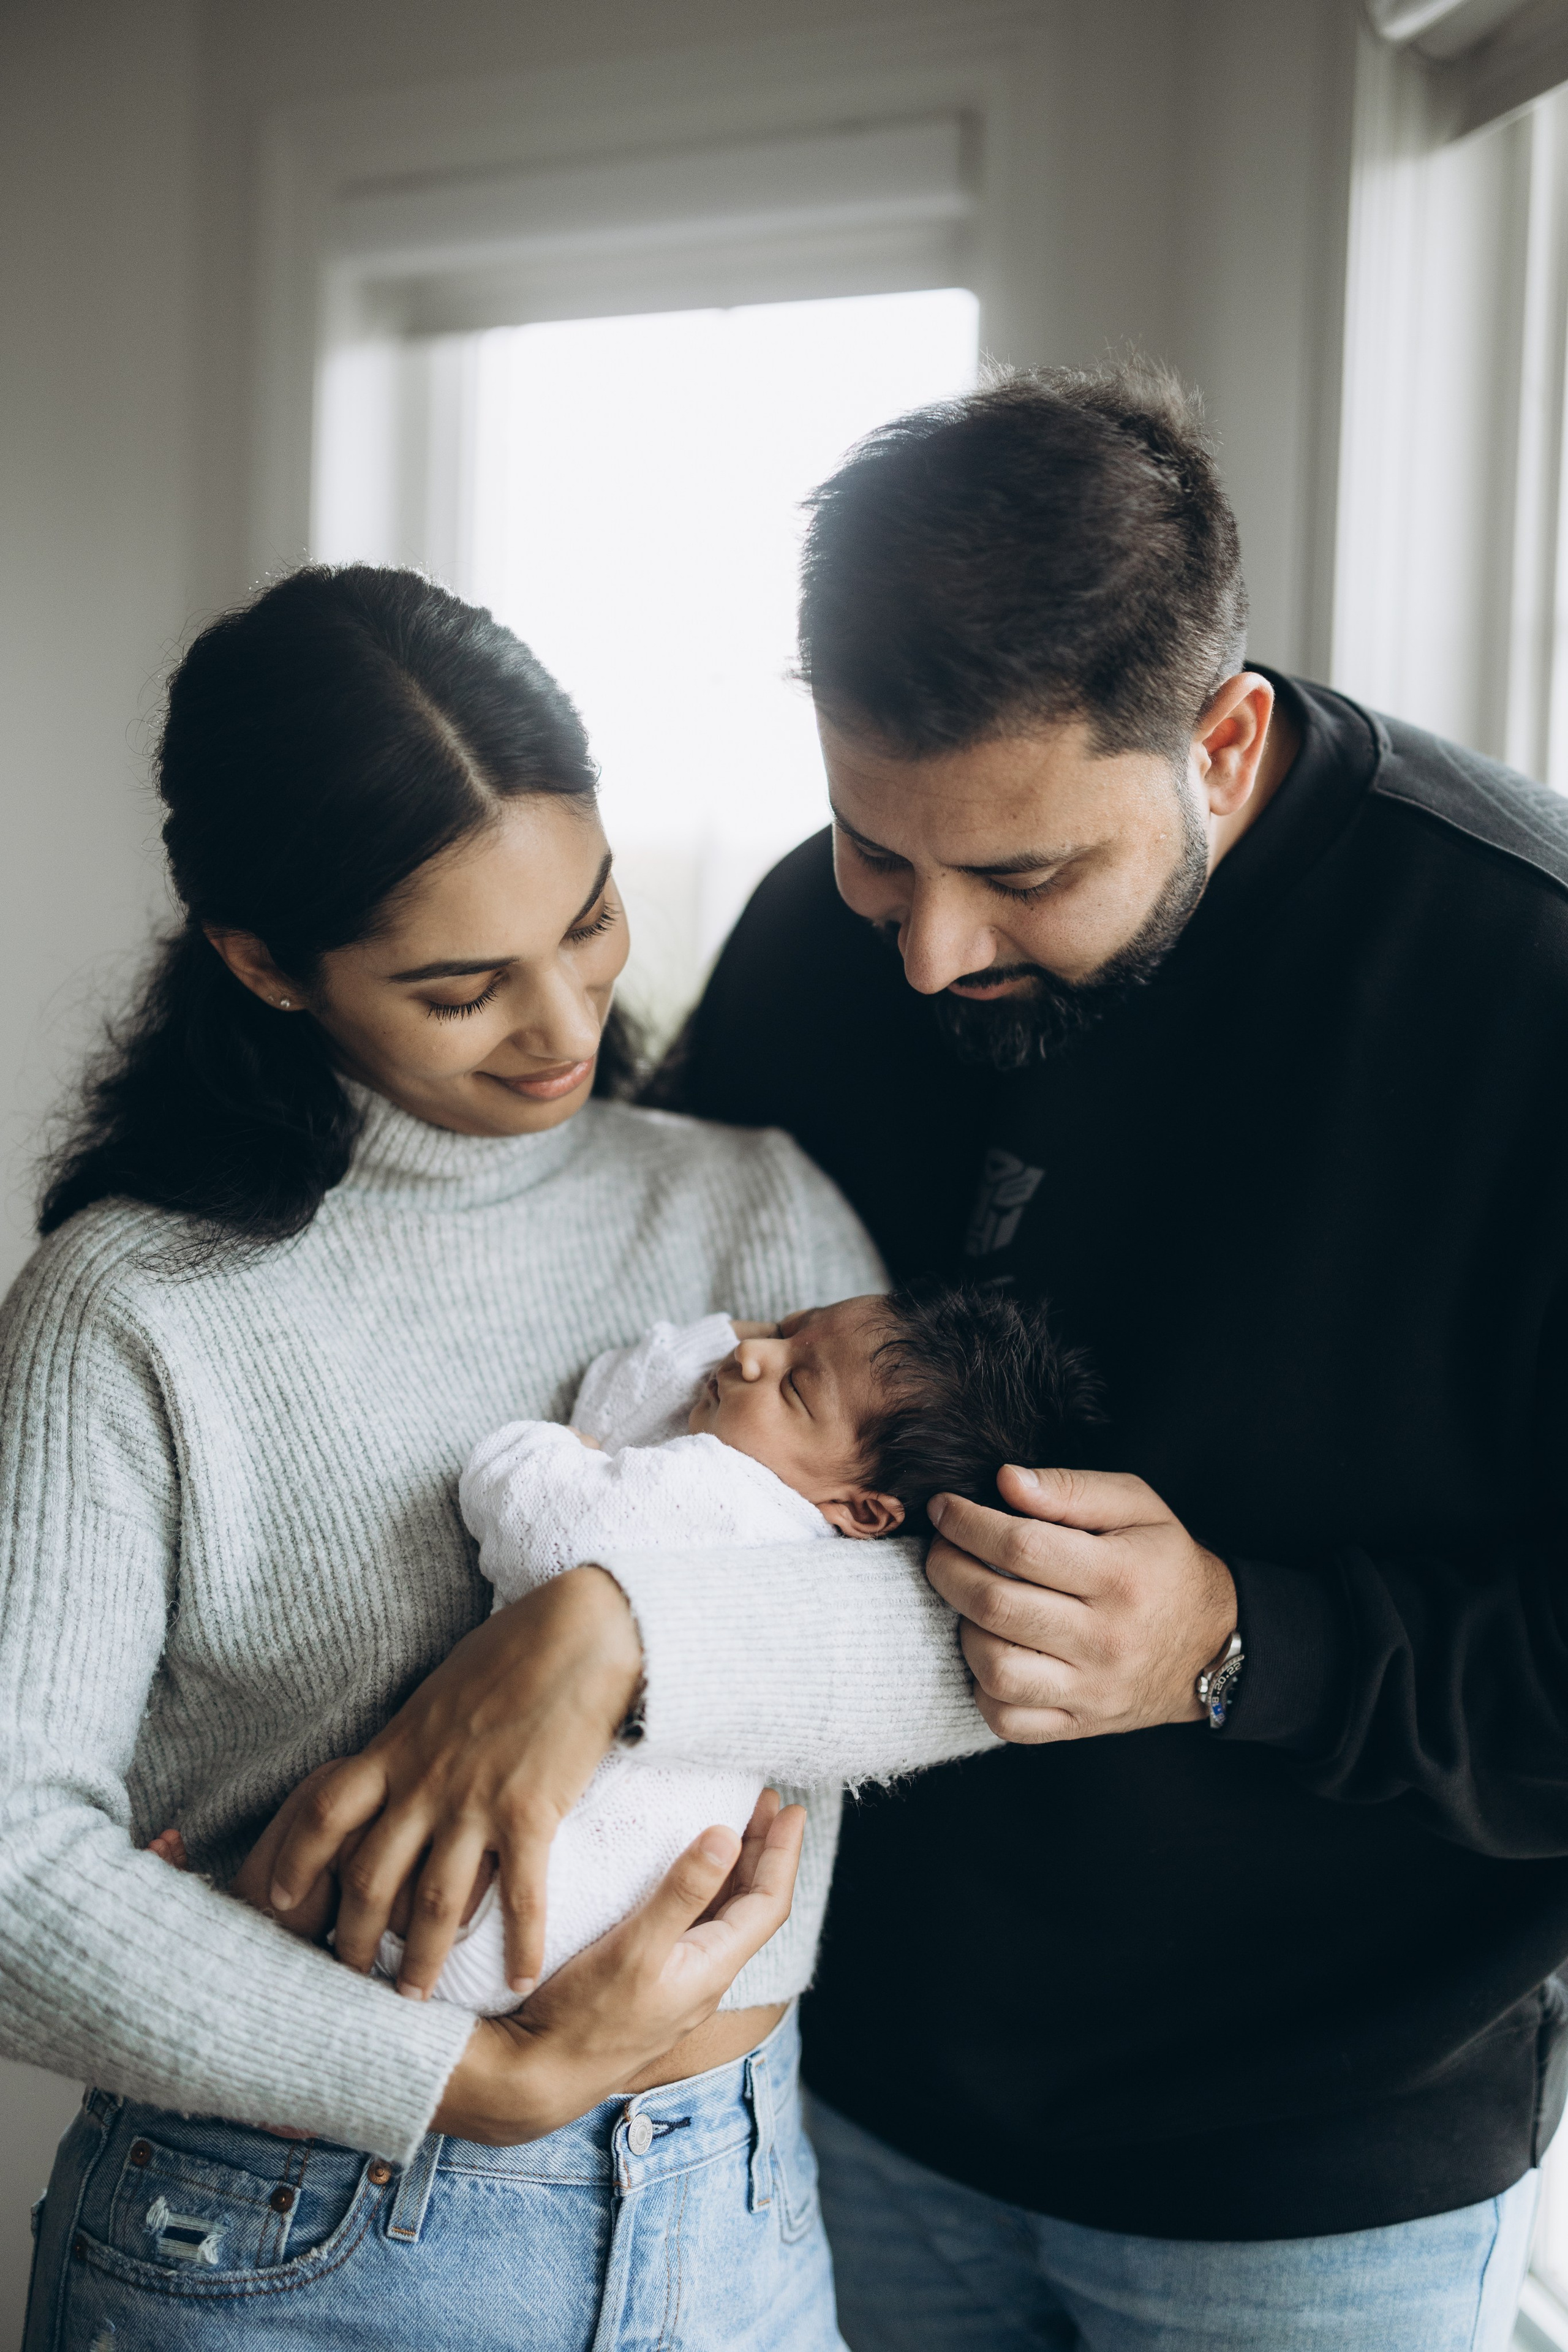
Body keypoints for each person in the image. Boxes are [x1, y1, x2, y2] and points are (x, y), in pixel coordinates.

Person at [651, 361, 1568, 2348]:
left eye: (1029, 875)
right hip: (834, 2089)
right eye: (875, 850)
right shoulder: (826, 936)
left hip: (1312, 2174)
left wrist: (1239, 1640)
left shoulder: (1527, 984)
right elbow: (623, 1364)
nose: (929, 953)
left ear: (1223, 742)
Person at [2, 565, 993, 2352]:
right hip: (298, 2234)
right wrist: (468, 2074)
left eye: (592, 922)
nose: (564, 1028)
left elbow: (959, 1629)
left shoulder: (745, 1203)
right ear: (263, 962)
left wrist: (606, 1633)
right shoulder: (135, 1303)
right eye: (461, 985)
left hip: (738, 2202)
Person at [368, 1286, 1096, 2014]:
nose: (749, 1354)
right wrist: (743, 1361)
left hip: (514, 1897)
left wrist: (540, 1451)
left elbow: (538, 1520)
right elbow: (617, 1410)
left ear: (864, 1510)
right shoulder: (806, 1544)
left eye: (795, 1385)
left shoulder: (725, 1500)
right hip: (599, 1919)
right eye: (783, 1331)